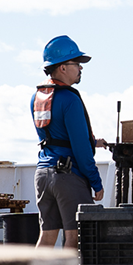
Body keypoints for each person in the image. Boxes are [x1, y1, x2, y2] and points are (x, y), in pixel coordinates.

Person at [31, 35, 106, 249]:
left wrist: (93, 141)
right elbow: (81, 149)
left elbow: (55, 135)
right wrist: (95, 181)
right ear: (62, 67)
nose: (81, 68)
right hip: (67, 177)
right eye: (77, 64)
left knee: (46, 237)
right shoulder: (71, 99)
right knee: (76, 238)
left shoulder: (37, 97)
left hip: (43, 175)